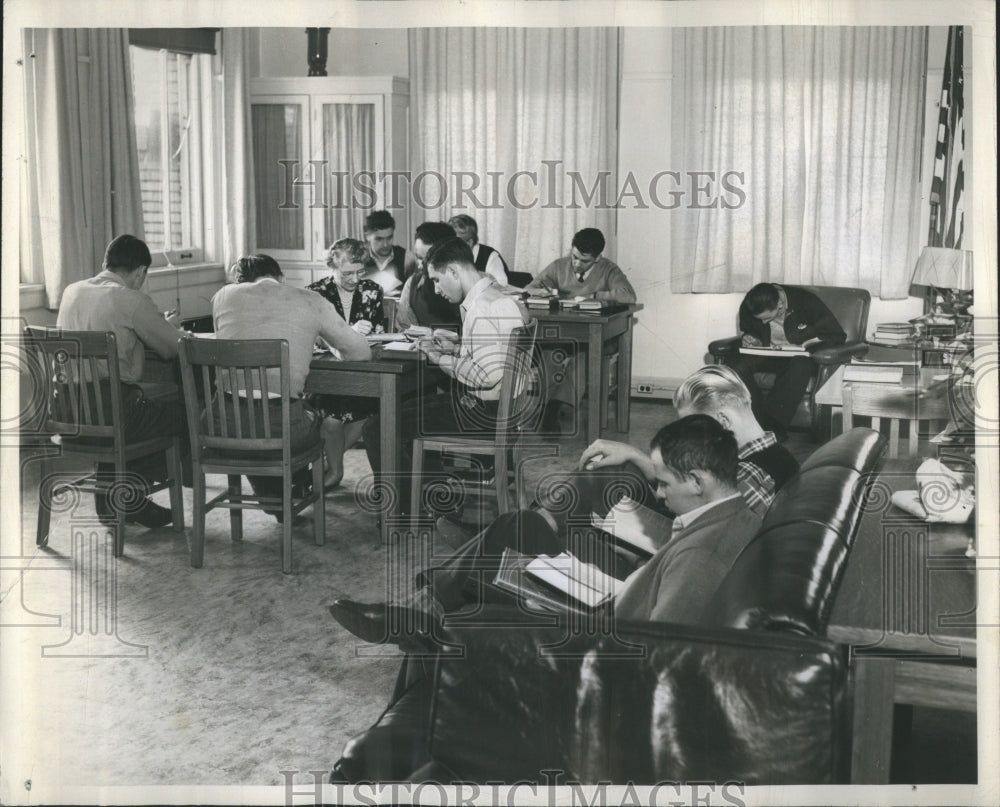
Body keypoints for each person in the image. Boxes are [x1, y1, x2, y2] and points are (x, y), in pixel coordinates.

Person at [329, 415, 761, 641]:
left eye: (665, 484)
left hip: (599, 622)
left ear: (699, 482)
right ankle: (424, 608)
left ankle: (421, 613)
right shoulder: (731, 512)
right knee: (519, 527)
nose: (660, 494)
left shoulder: (702, 558)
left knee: (512, 540)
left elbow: (657, 649)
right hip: (618, 592)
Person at [361, 236, 528, 509]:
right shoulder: (497, 299)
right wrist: (458, 345)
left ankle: (403, 510)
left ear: (454, 271)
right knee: (405, 413)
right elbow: (495, 353)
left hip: (482, 414)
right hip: (500, 411)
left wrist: (437, 357)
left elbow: (486, 376)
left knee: (378, 426)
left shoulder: (483, 308)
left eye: (437, 280)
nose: (437, 290)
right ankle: (435, 497)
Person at [212, 254, 371, 518]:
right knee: (313, 416)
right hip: (281, 428)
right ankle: (291, 490)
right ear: (281, 278)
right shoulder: (310, 300)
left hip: (222, 425)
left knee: (258, 419)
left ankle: (278, 497)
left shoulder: (223, 297)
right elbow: (360, 352)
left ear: (239, 281)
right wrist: (318, 338)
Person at [56, 234, 191, 528]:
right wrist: (166, 327)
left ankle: (116, 501)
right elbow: (173, 347)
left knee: (128, 416)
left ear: (107, 263)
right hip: (113, 414)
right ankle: (129, 497)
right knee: (185, 416)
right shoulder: (130, 298)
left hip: (67, 414)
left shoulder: (71, 291)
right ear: (141, 271)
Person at [578, 364, 799, 520]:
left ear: (723, 420)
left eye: (695, 426)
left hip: (676, 553)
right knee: (616, 471)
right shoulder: (764, 456)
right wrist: (633, 454)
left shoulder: (749, 476)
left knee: (602, 490)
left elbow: (701, 540)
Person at [524, 228, 637, 432]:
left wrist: (595, 297)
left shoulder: (609, 269)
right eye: (574, 257)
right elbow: (529, 288)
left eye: (584, 261)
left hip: (597, 337)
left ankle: (554, 407)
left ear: (597, 258)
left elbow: (628, 296)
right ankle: (548, 408)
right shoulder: (559, 266)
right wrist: (542, 291)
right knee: (549, 352)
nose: (576, 264)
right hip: (564, 334)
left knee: (586, 356)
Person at [306, 238, 386, 489]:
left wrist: (369, 336)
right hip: (328, 377)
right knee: (332, 419)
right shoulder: (315, 293)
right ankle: (336, 470)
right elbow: (311, 337)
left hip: (362, 374)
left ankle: (331, 467)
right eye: (347, 273)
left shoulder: (372, 290)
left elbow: (379, 335)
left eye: (360, 271)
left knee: (371, 412)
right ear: (332, 266)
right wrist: (347, 333)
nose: (355, 279)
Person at [729, 282, 846, 434]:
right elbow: (752, 330)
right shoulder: (750, 304)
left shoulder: (807, 301)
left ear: (780, 304)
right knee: (734, 365)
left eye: (768, 318)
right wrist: (752, 339)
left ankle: (773, 428)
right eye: (761, 319)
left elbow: (837, 335)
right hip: (768, 355)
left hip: (799, 357)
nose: (763, 322)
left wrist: (808, 346)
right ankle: (755, 420)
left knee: (800, 365)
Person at [394, 222, 463, 330]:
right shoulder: (412, 284)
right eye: (417, 257)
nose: (420, 265)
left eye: (426, 259)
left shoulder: (467, 284)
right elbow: (404, 327)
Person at [361, 210, 418, 294]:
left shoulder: (408, 259)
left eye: (389, 238)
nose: (385, 245)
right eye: (379, 239)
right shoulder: (359, 259)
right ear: (367, 236)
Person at [448, 214, 509, 286]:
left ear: (469, 243)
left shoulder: (489, 256)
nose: (448, 245)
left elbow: (502, 286)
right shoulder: (447, 254)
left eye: (455, 242)